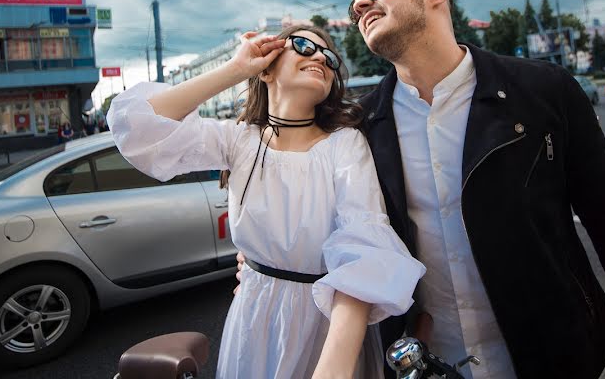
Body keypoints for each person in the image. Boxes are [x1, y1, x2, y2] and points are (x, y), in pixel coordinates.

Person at [342, 0, 605, 378]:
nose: (362, 5)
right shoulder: (361, 126)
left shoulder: (543, 90)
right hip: (430, 363)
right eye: (354, 6)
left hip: (555, 354)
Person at [107, 24, 425, 379]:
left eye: (329, 56)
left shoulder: (344, 143)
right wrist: (235, 69)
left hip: (328, 320)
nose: (320, 56)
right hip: (253, 315)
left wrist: (334, 368)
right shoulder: (238, 140)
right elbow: (137, 127)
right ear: (268, 67)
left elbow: (365, 249)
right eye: (303, 46)